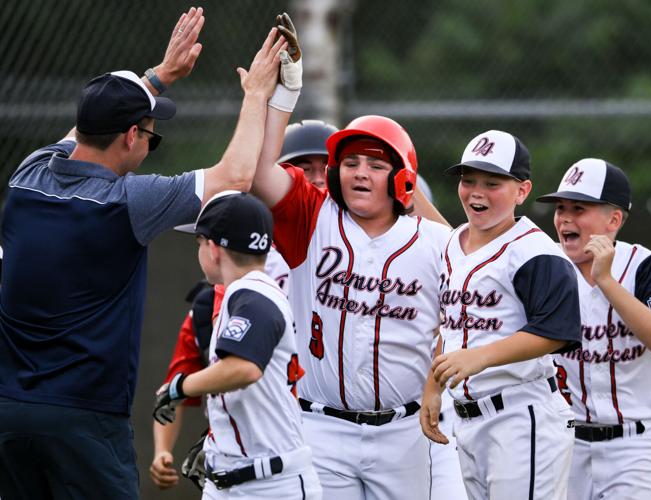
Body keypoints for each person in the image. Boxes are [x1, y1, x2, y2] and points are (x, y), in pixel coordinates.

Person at [0, 8, 290, 498]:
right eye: (151, 136)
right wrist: (258, 95)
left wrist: (159, 77)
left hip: (7, 408)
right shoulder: (127, 201)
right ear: (132, 136)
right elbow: (235, 178)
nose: (149, 145)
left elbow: (81, 132)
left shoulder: (29, 174)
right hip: (84, 417)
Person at [248, 106, 450, 498]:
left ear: (402, 177)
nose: (359, 172)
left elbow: (464, 307)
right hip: (323, 427)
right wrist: (277, 99)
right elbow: (260, 172)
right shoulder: (312, 215)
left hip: (404, 431)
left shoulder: (434, 241)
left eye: (376, 164)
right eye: (350, 162)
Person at [150, 118, 339, 491]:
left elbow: (245, 367)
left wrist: (181, 387)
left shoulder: (254, 292)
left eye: (200, 241)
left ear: (215, 247)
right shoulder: (223, 299)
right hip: (237, 473)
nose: (316, 178)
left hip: (276, 476)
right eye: (306, 168)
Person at [420, 130, 581, 500]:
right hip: (469, 417)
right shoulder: (452, 243)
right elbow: (453, 325)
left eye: (492, 183)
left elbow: (556, 331)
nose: (477, 191)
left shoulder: (534, 252)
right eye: (469, 180)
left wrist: (478, 358)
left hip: (521, 415)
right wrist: (433, 386)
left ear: (522, 191)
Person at [536, 158, 651, 499]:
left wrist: (606, 282)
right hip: (564, 443)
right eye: (561, 208)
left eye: (579, 208)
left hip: (633, 446)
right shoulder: (547, 267)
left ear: (614, 219)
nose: (565, 218)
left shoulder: (641, 265)